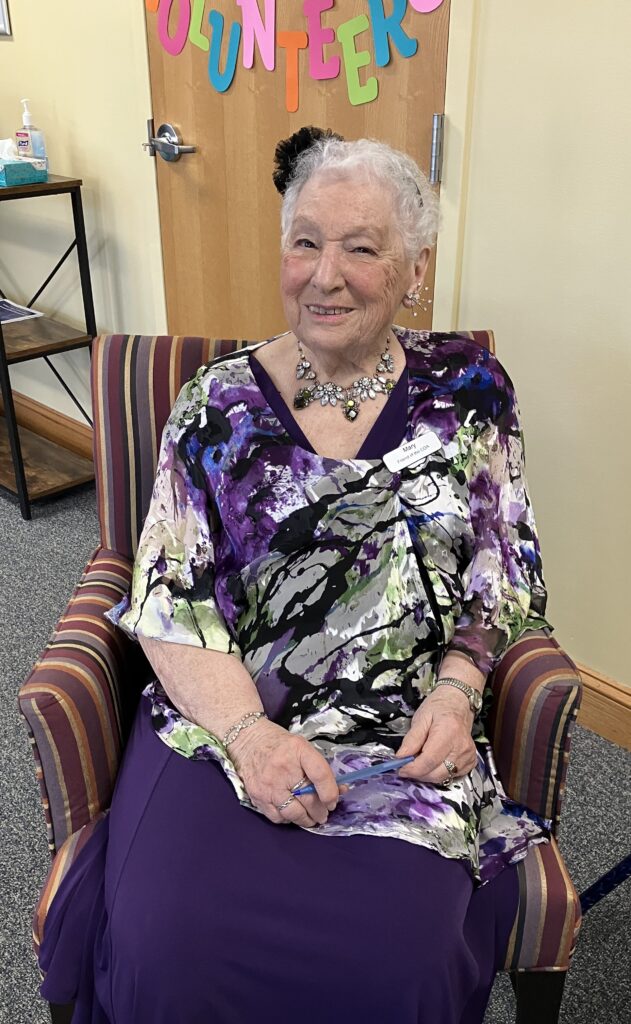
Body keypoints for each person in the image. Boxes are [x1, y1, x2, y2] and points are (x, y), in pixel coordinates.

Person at [39, 127, 552, 1024]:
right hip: (224, 730)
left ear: (414, 269)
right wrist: (250, 737)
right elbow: (169, 601)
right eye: (306, 241)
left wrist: (456, 695)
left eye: (361, 247)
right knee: (172, 947)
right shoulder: (215, 407)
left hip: (401, 742)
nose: (325, 274)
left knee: (399, 965)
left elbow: (499, 566)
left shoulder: (471, 389)